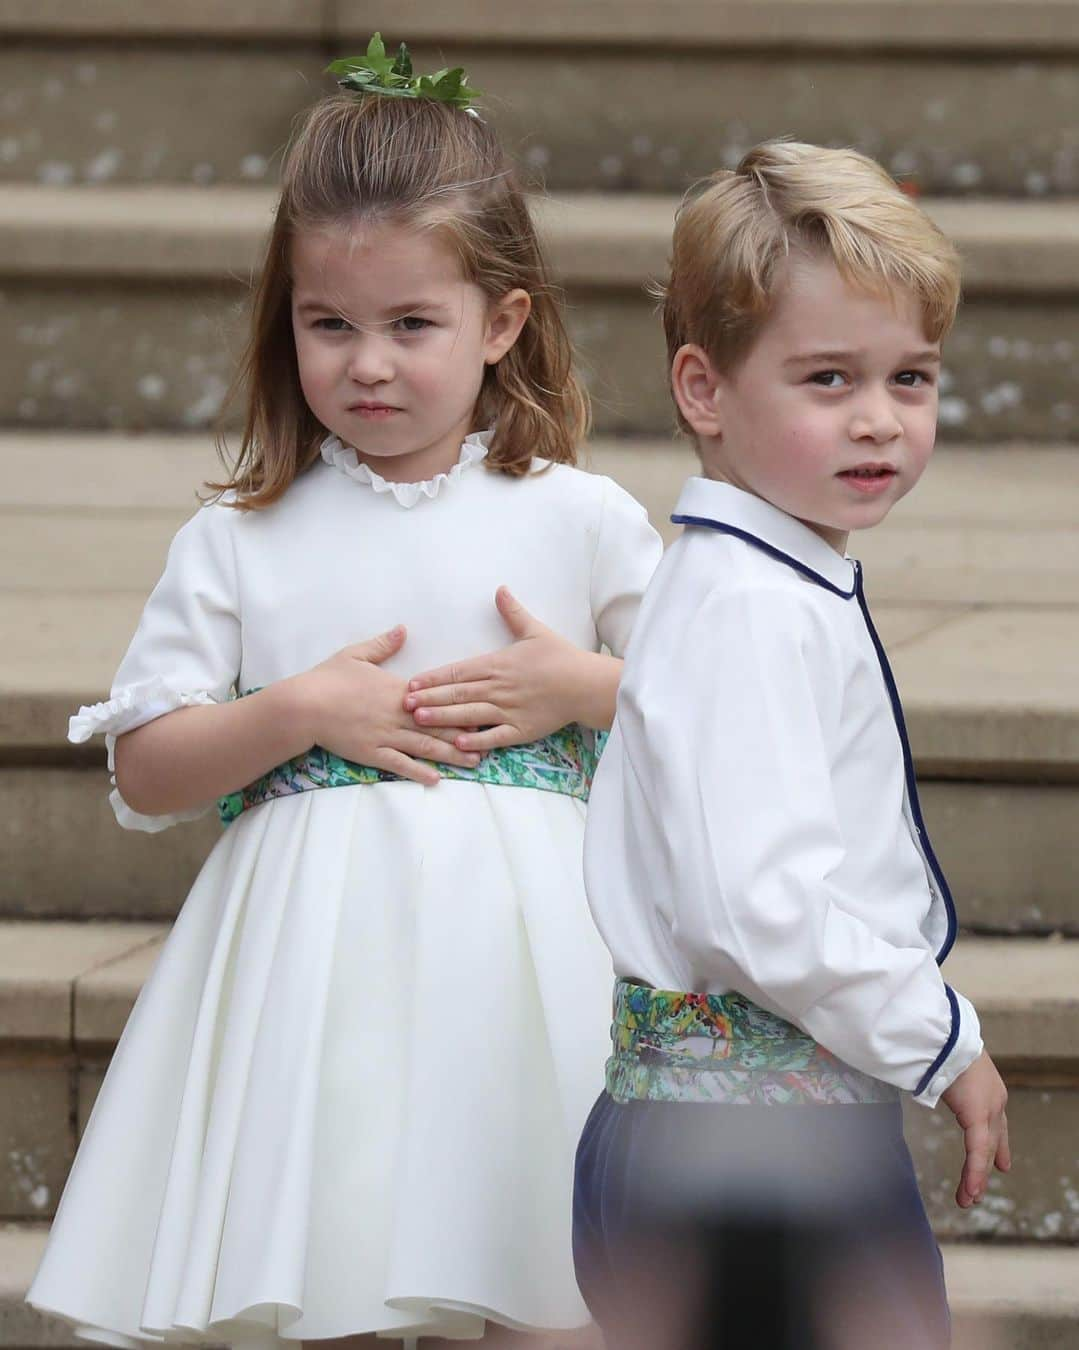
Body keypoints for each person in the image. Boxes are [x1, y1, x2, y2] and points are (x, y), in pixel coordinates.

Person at [28, 40, 661, 1350]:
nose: (367, 363)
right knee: (333, 1269)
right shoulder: (243, 536)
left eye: (411, 325)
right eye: (331, 324)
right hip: (314, 979)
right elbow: (149, 763)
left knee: (552, 1280)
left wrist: (582, 684)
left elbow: (707, 714)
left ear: (503, 322)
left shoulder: (581, 518)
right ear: (288, 320)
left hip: (530, 966)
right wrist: (293, 712)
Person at [573, 141, 1011, 1350]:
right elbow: (758, 903)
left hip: (749, 1129)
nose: (879, 420)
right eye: (828, 379)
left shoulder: (762, 580)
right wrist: (940, 1035)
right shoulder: (751, 608)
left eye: (910, 379)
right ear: (704, 391)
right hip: (750, 1153)